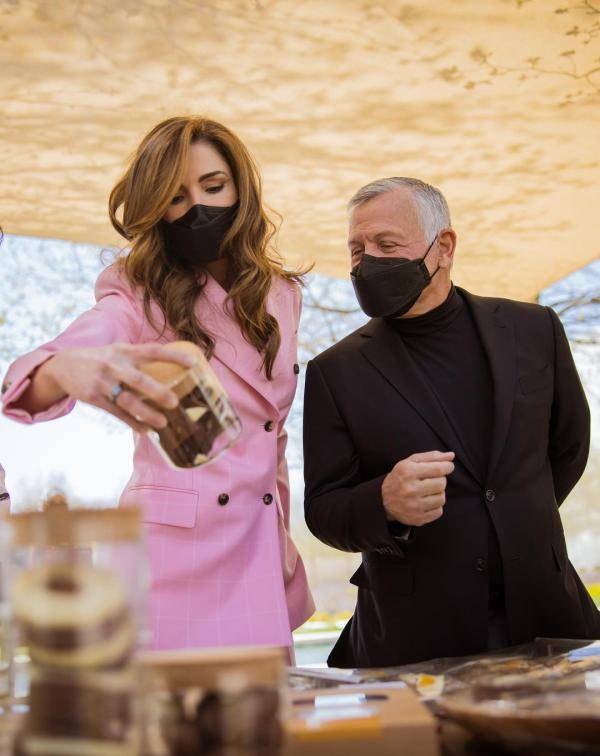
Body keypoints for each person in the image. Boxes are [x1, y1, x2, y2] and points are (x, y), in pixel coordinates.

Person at [2, 116, 314, 653]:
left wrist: (281, 540)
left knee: (264, 708)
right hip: (173, 561)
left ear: (241, 189)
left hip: (260, 549)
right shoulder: (137, 292)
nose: (198, 207)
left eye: (213, 186)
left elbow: (272, 433)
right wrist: (63, 369)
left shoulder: (282, 295)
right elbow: (35, 375)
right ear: (156, 210)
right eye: (176, 197)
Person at [303, 176, 600, 668]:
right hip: (415, 639)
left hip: (549, 618)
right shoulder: (334, 372)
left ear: (444, 247)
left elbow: (568, 447)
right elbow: (323, 509)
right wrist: (384, 502)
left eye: (386, 244)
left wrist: (513, 520)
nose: (367, 261)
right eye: (357, 249)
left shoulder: (535, 329)